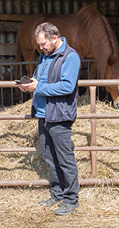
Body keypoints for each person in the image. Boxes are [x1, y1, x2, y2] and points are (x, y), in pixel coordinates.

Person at [18, 22, 81, 216]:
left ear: (55, 38)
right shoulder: (45, 56)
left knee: (64, 158)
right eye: (39, 44)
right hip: (43, 114)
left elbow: (67, 87)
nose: (40, 48)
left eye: (43, 44)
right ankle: (57, 193)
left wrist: (38, 88)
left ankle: (71, 199)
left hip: (59, 115)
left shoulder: (70, 57)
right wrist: (30, 84)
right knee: (50, 157)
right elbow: (43, 81)